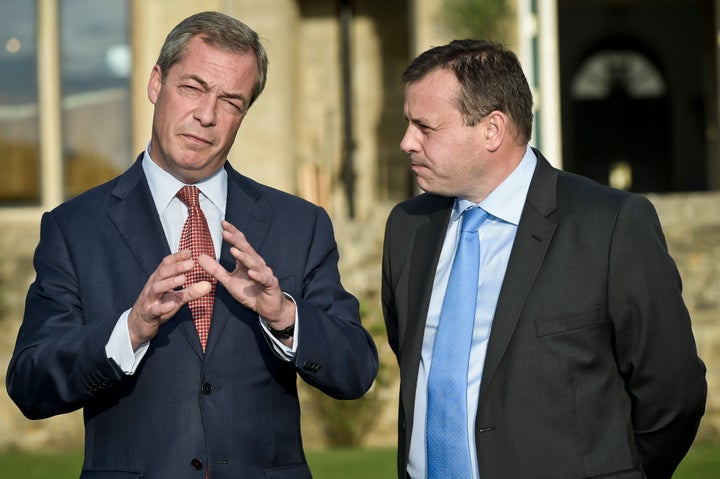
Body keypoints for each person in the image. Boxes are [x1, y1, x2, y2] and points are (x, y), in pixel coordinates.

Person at [7, 11, 378, 479]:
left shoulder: (299, 225)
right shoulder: (74, 228)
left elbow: (356, 371)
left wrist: (285, 316)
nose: (206, 115)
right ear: (156, 83)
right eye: (193, 88)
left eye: (230, 101)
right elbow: (30, 384)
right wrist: (131, 329)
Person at [382, 39, 706, 479]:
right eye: (408, 123)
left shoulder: (609, 226)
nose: (406, 142)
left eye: (425, 127)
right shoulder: (407, 227)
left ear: (492, 130)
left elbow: (673, 392)